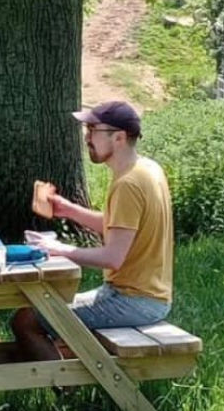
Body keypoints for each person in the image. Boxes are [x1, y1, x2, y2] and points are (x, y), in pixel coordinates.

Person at [11, 100, 173, 359]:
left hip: (134, 301)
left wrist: (60, 249)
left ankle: (66, 392)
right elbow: (121, 228)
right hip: (147, 297)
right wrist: (69, 209)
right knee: (40, 313)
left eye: (93, 130)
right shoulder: (146, 169)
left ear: (119, 137)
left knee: (25, 321)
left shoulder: (128, 184)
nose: (87, 137)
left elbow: (112, 257)